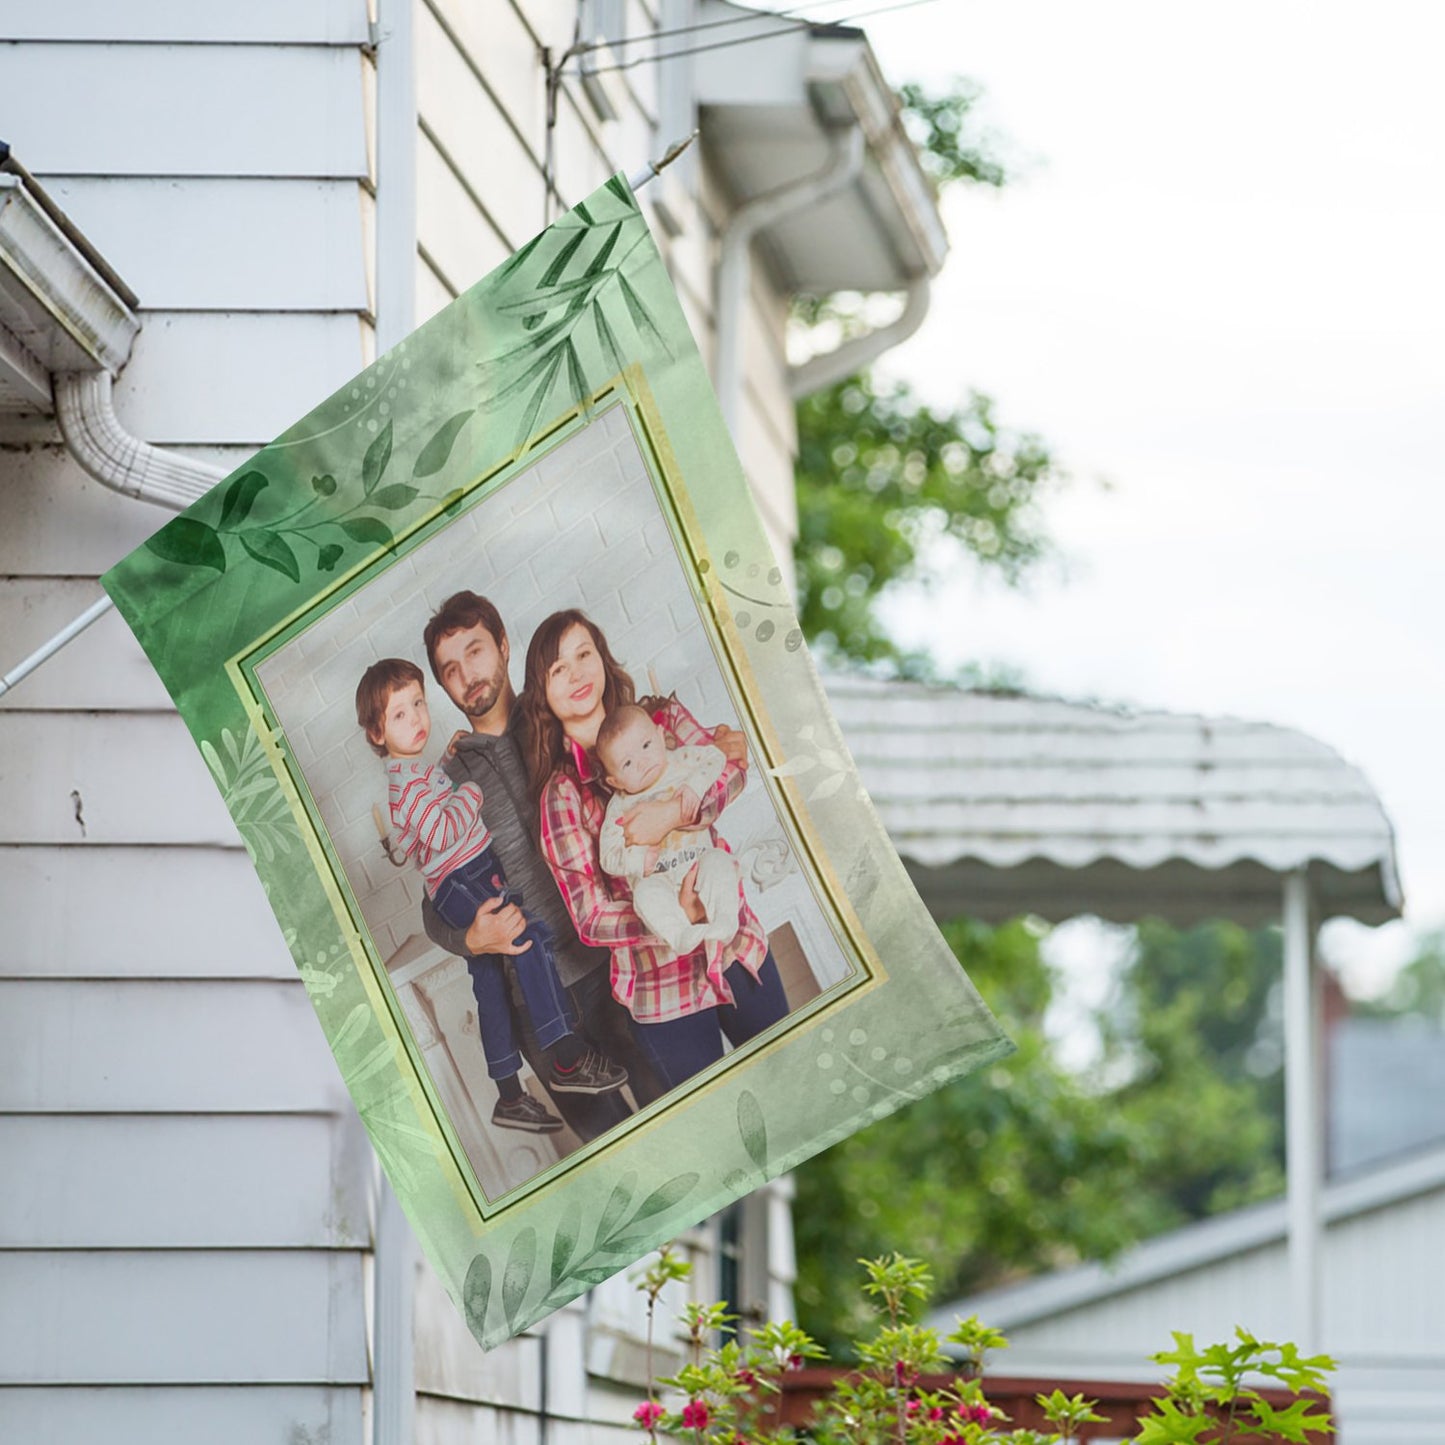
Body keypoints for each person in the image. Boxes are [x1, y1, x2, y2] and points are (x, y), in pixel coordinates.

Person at [418, 591, 665, 1142]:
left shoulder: (562, 717)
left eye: (476, 651)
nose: (468, 675)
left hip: (617, 962)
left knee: (671, 1100)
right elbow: (433, 911)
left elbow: (641, 757)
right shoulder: (444, 783)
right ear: (443, 687)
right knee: (611, 1148)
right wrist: (472, 939)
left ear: (505, 647)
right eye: (450, 669)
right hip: (540, 1003)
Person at [520, 608, 791, 1092]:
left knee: (793, 1076)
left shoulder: (661, 718)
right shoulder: (560, 796)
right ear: (542, 692)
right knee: (717, 1121)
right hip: (661, 992)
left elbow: (728, 769)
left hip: (735, 947)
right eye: (558, 669)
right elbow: (589, 916)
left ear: (603, 659)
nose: (577, 673)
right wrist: (674, 913)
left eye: (584, 655)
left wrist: (671, 814)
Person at [356, 658, 627, 1134]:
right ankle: (565, 1057)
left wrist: (445, 769)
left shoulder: (417, 775)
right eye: (400, 715)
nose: (417, 717)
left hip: (462, 876)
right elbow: (440, 828)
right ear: (377, 733)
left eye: (418, 703)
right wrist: (470, 793)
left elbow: (430, 812)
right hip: (465, 878)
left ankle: (509, 1093)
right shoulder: (404, 786)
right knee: (529, 939)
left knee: (489, 980)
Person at [595, 703, 743, 956]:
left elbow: (716, 757)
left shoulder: (682, 762)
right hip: (660, 880)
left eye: (646, 746)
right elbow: (608, 857)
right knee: (644, 894)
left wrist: (695, 787)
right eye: (628, 763)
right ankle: (681, 935)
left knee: (719, 862)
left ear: (661, 736)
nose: (642, 762)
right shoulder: (619, 807)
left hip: (699, 862)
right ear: (615, 781)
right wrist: (638, 859)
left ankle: (725, 921)